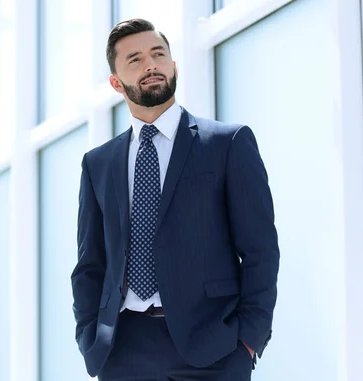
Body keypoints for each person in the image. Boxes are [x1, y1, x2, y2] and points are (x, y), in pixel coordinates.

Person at [71, 18, 279, 380]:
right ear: (116, 83)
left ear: (174, 66)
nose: (150, 64)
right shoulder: (98, 164)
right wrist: (90, 333)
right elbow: (90, 264)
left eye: (158, 54)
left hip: (213, 347)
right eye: (134, 59)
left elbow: (260, 249)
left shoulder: (227, 144)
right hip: (122, 350)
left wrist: (249, 340)